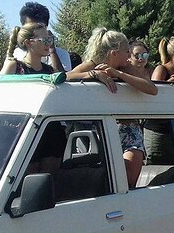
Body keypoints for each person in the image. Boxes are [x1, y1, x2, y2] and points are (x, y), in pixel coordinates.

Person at [67, 28, 158, 188]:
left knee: (129, 179)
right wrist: (94, 75)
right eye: (126, 51)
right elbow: (66, 76)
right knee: (103, 179)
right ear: (114, 53)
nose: (129, 56)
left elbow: (152, 89)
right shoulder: (92, 65)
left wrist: (119, 74)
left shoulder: (127, 68)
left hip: (128, 128)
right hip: (99, 131)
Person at [12, 2, 71, 71]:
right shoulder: (16, 54)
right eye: (29, 27)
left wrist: (52, 51)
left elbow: (63, 78)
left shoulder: (62, 54)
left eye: (39, 27)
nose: (33, 30)